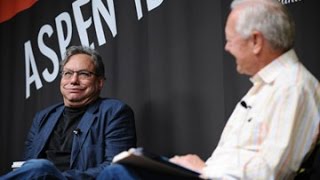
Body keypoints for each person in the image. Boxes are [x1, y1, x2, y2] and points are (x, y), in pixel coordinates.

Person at [97, 0, 320, 179]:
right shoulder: (265, 88)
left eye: (231, 40)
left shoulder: (293, 87)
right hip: (209, 174)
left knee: (119, 174)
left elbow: (271, 173)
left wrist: (203, 169)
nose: (226, 47)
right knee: (123, 166)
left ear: (255, 41)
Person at [0, 46, 137, 179]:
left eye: (83, 74)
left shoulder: (115, 112)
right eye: (68, 73)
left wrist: (55, 177)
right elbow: (26, 168)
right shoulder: (42, 118)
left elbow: (115, 168)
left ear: (100, 82)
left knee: (40, 167)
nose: (73, 80)